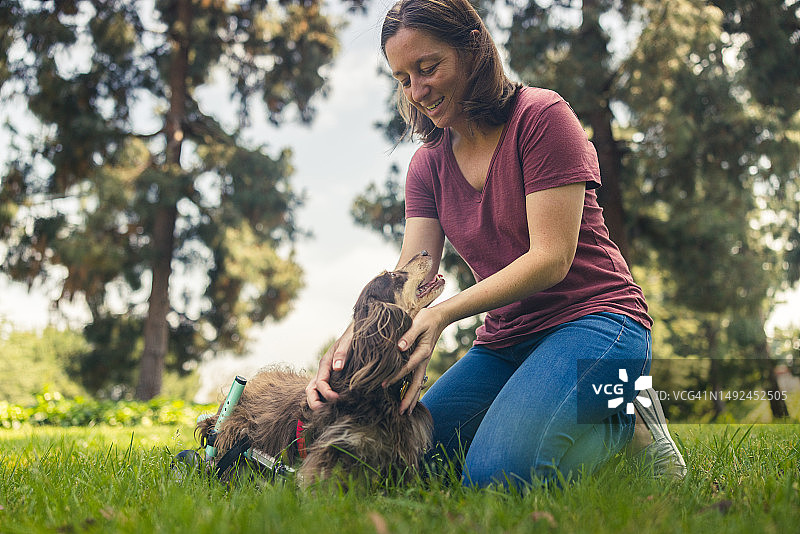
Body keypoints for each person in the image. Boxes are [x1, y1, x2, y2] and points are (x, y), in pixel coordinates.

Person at [306, 0, 686, 487]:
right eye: (403, 79)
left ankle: (625, 417)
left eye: (428, 68)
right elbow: (412, 269)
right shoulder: (428, 165)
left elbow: (551, 259)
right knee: (415, 464)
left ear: (472, 50)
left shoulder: (542, 118)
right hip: (505, 341)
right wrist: (348, 343)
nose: (417, 91)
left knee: (498, 476)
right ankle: (542, 407)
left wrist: (443, 315)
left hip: (598, 321)